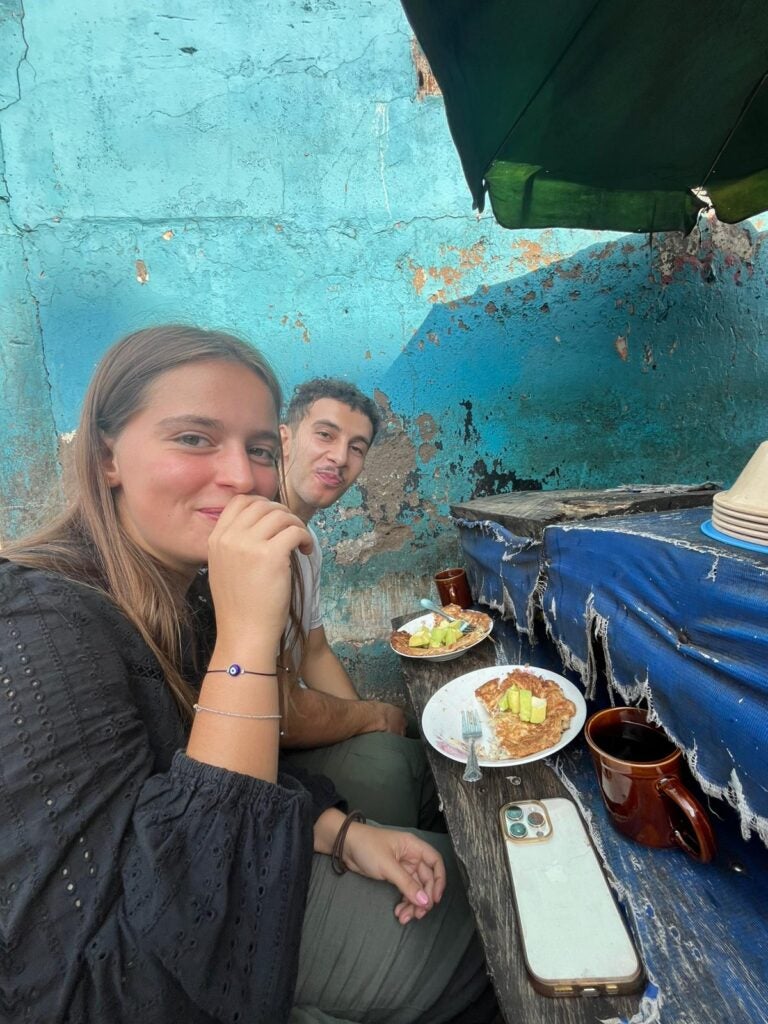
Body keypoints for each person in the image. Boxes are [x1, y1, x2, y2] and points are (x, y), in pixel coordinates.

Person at [0, 324, 496, 1024]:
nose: (240, 476)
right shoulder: (38, 636)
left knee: (418, 803)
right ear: (107, 455)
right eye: (194, 438)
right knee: (494, 932)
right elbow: (107, 988)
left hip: (236, 865)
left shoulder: (187, 586)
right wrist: (247, 637)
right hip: (177, 957)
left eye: (257, 449)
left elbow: (194, 761)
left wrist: (337, 829)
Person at [278, 379, 440, 829]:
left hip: (291, 723)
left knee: (406, 742)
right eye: (325, 435)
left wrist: (368, 728)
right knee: (399, 768)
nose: (340, 458)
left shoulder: (306, 542)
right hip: (267, 757)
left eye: (357, 447)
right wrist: (367, 716)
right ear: (285, 439)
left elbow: (314, 652)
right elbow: (278, 711)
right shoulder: (257, 544)